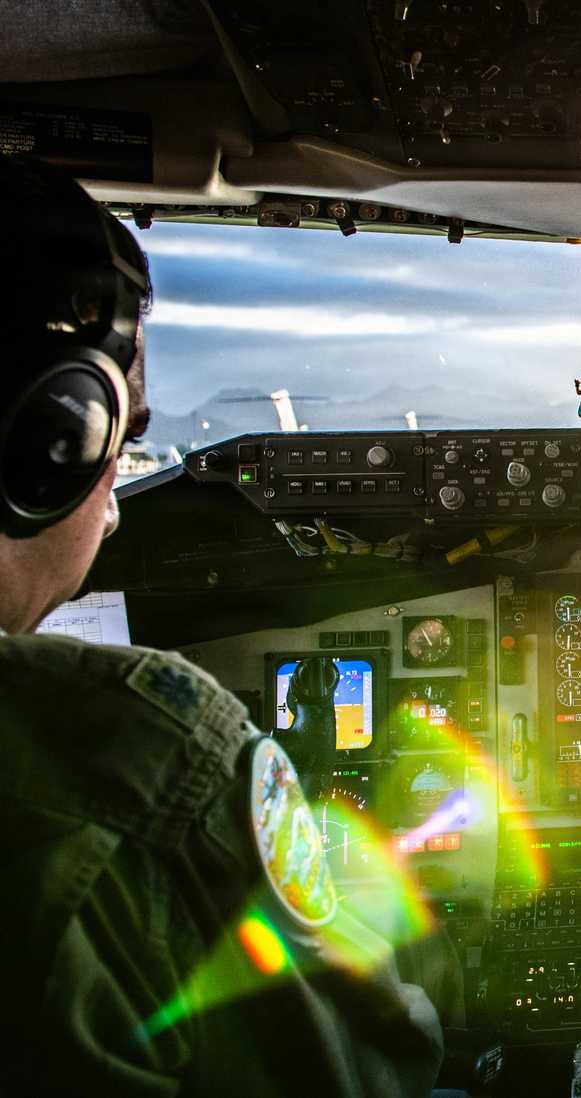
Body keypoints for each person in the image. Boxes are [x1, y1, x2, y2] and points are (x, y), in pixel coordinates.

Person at [0, 155, 444, 1095]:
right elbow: (371, 1072)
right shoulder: (138, 748)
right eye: (115, 452)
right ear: (49, 446)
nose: (114, 506)